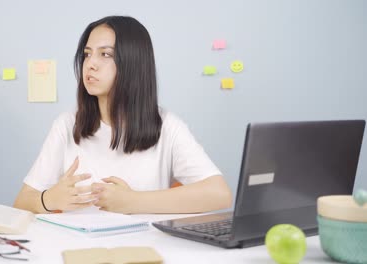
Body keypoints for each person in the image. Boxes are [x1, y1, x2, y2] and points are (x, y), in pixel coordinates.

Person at [14, 16, 232, 214]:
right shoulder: (66, 124)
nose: (90, 64)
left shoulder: (167, 126)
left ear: (133, 64)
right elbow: (21, 202)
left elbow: (219, 194)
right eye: (87, 54)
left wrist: (133, 202)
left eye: (105, 54)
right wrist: (48, 199)